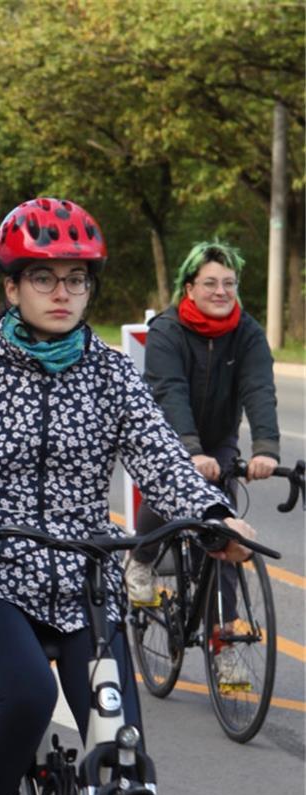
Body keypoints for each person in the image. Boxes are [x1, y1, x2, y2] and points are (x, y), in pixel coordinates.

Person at [0, 196, 257, 795]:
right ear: (12, 287)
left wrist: (213, 516)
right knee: (30, 695)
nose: (62, 292)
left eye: (76, 277)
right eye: (44, 277)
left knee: (124, 750)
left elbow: (160, 456)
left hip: (82, 576)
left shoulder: (108, 372)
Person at [126, 241, 279, 685]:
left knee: (225, 536)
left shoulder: (246, 331)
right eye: (210, 283)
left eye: (229, 283)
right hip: (167, 434)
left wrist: (266, 448)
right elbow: (169, 390)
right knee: (167, 489)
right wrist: (189, 451)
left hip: (219, 437)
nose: (221, 291)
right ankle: (141, 558)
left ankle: (225, 646)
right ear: (189, 287)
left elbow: (258, 388)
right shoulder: (167, 330)